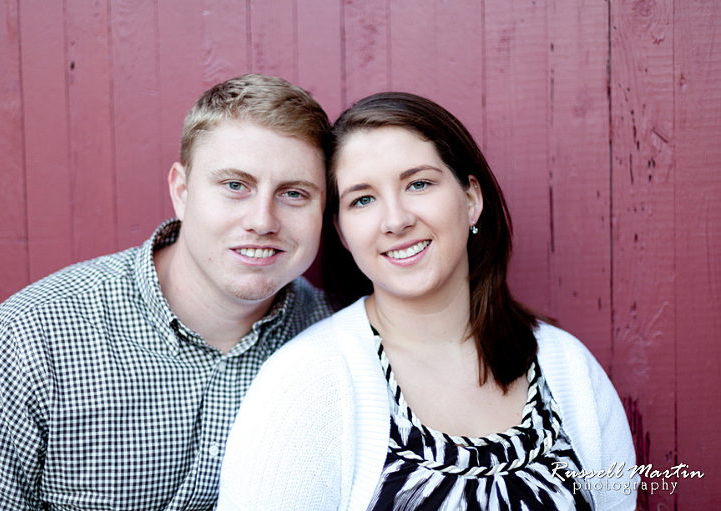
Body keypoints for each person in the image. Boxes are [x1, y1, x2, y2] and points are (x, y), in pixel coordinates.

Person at [217, 92, 638, 510]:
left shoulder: (568, 371)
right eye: (363, 199)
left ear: (471, 199)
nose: (396, 220)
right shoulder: (306, 384)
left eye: (418, 184)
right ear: (342, 233)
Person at [0, 74, 333, 510]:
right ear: (182, 191)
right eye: (235, 186)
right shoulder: (30, 338)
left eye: (294, 193)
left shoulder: (344, 340)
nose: (262, 220)